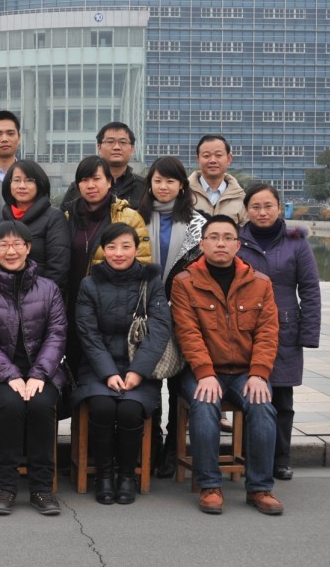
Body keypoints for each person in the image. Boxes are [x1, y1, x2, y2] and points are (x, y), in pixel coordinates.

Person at [170, 214, 283, 515]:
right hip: (202, 371)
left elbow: (268, 333)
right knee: (205, 404)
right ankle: (209, 485)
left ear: (237, 244)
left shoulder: (260, 283)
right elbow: (188, 333)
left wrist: (259, 374)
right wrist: (204, 373)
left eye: (228, 238)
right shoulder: (184, 282)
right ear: (202, 243)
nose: (221, 243)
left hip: (246, 372)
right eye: (214, 237)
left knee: (262, 406)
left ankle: (260, 488)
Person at [0, 221, 67, 516]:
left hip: (43, 372)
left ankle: (41, 488)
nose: (10, 251)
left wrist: (38, 374)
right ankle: (6, 487)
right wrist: (10, 375)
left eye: (17, 244)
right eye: (3, 245)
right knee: (11, 406)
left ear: (28, 247)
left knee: (41, 405)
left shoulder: (49, 289)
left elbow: (57, 335)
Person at [74, 223, 171, 505]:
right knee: (103, 407)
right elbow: (88, 333)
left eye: (126, 246)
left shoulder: (151, 282)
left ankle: (127, 475)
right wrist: (107, 373)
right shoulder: (89, 284)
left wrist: (138, 371)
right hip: (97, 368)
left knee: (130, 409)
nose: (119, 253)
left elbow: (160, 330)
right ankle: (104, 476)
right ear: (103, 250)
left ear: (137, 249)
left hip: (140, 367)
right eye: (112, 247)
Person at [237, 184, 321, 481]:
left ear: (279, 207)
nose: (262, 212)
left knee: (282, 398)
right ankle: (250, 454)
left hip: (285, 327)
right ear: (246, 210)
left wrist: (308, 333)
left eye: (268, 206)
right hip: (245, 329)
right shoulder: (236, 241)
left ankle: (281, 457)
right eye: (256, 206)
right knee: (251, 394)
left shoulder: (296, 241)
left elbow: (309, 289)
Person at [137, 156, 207, 477]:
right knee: (149, 380)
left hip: (184, 315)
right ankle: (151, 443)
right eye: (158, 180)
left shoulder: (199, 223)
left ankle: (172, 448)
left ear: (181, 186)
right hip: (144, 314)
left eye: (170, 181)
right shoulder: (135, 218)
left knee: (179, 384)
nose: (163, 187)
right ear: (150, 184)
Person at [63, 156, 151, 374]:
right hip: (70, 303)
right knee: (73, 366)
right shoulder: (67, 217)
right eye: (84, 180)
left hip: (110, 307)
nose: (90, 185)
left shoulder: (129, 218)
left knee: (102, 365)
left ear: (109, 182)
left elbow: (141, 265)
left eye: (96, 179)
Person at [0, 158, 70, 291]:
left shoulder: (54, 218)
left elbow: (58, 268)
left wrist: (44, 297)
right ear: (9, 184)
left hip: (41, 297)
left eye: (29, 180)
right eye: (16, 180)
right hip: (4, 296)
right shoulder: (1, 221)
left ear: (39, 184)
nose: (22, 186)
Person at [62, 122, 147, 208]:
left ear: (132, 148)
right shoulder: (79, 187)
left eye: (123, 142)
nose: (116, 147)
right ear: (99, 147)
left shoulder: (144, 187)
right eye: (110, 142)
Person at [188, 135, 248, 225]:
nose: (213, 160)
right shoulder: (183, 194)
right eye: (206, 156)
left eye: (218, 155)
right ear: (198, 159)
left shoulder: (241, 198)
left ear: (229, 159)